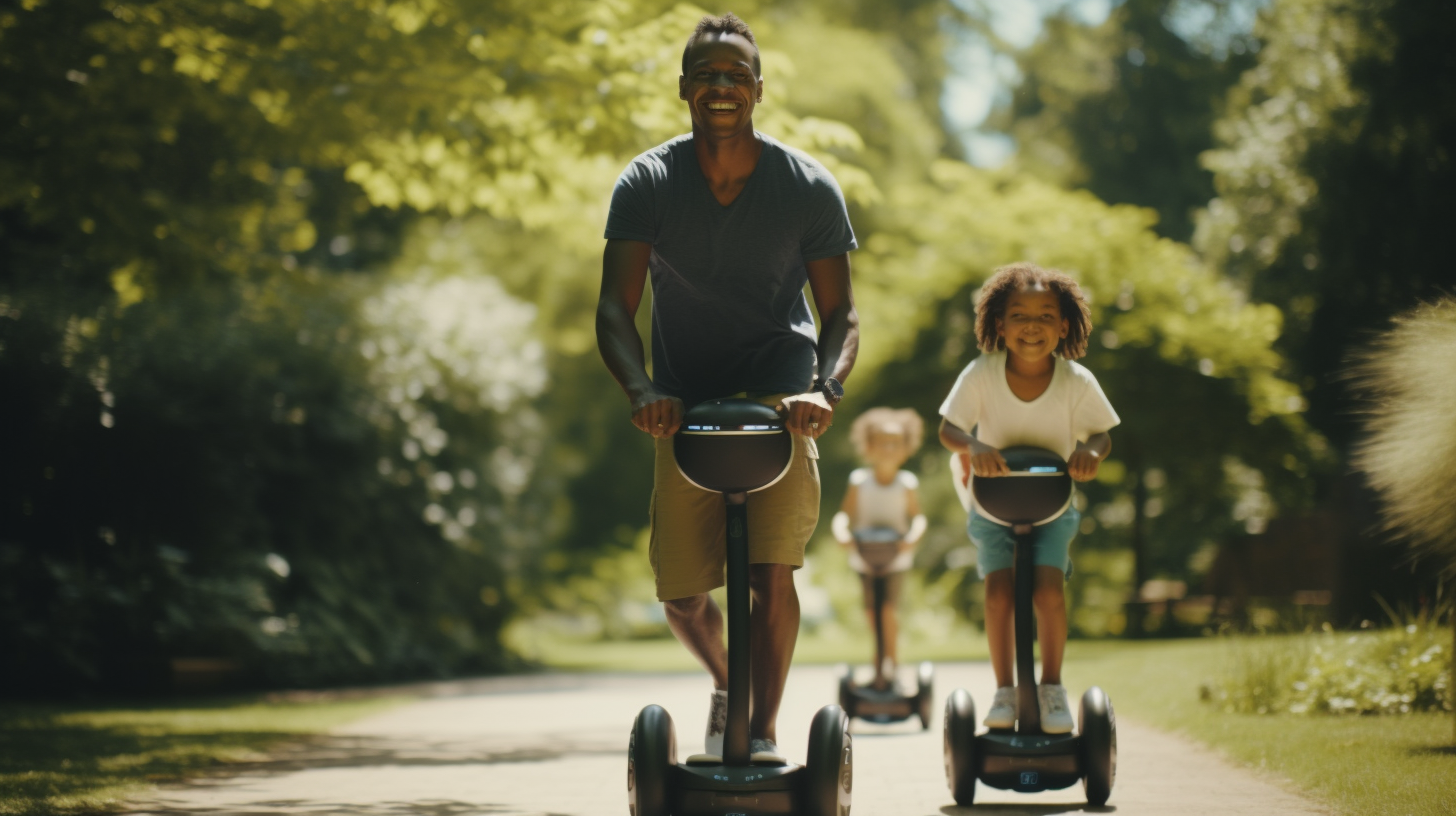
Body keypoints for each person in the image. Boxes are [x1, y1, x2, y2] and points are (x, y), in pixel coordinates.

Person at [595, 12, 860, 764]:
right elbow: (615, 307)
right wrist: (641, 387)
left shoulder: (806, 185)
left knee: (769, 572)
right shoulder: (648, 182)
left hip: (782, 392)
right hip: (682, 399)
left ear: (758, 90)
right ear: (684, 89)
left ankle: (765, 731)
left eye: (735, 75)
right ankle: (729, 684)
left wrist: (825, 392)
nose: (721, 87)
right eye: (707, 74)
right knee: (682, 595)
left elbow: (841, 314)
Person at [937, 262, 1119, 734]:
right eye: (1019, 315)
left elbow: (1101, 435)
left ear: (1064, 325)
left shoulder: (1076, 381)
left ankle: (1052, 686)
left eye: (1045, 316)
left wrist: (1089, 452)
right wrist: (974, 446)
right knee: (998, 594)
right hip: (993, 505)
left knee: (1046, 590)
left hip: (1052, 506)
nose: (1032, 326)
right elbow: (949, 429)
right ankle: (1005, 690)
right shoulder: (982, 373)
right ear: (1000, 325)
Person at [830, 408, 927, 690]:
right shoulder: (859, 481)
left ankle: (890, 666)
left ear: (905, 448)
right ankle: (879, 666)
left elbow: (917, 517)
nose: (888, 448)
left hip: (896, 555)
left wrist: (914, 535)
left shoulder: (906, 482)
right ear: (868, 447)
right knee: (873, 612)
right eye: (881, 442)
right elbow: (844, 515)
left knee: (888, 610)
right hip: (865, 553)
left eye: (895, 442)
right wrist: (841, 532)